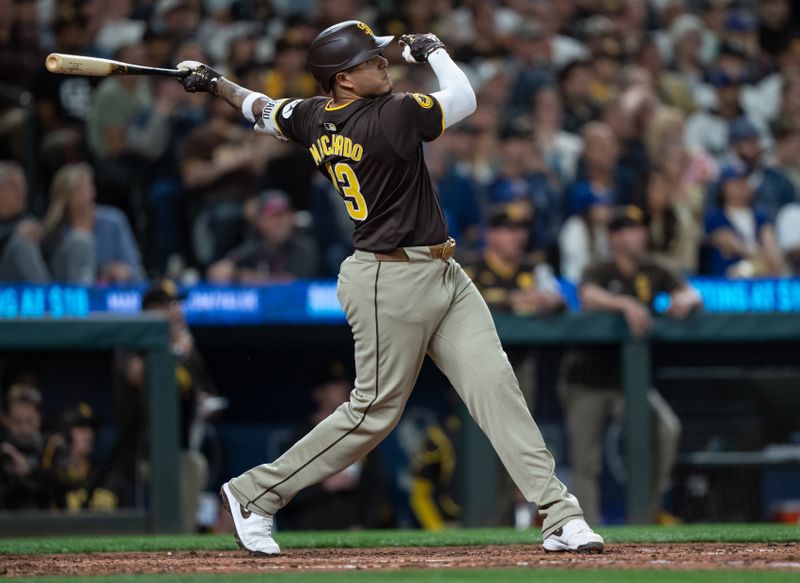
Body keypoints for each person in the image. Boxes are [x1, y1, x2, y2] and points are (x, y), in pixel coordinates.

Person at [176, 20, 603, 555]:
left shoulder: (314, 115)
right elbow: (464, 97)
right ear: (344, 80)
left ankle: (559, 514)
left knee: (497, 389)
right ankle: (253, 493)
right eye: (370, 60)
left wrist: (216, 83)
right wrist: (436, 50)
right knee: (372, 412)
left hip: (442, 270)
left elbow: (262, 110)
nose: (384, 62)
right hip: (387, 278)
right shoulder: (393, 114)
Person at [560, 206, 702, 525]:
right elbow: (587, 294)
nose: (636, 234)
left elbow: (690, 293)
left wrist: (686, 300)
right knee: (586, 462)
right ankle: (587, 528)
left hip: (629, 382)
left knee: (666, 429)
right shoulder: (600, 267)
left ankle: (646, 512)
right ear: (613, 237)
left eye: (639, 228)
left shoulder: (655, 268)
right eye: (626, 229)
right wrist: (624, 303)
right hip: (587, 377)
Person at [112, 279, 213, 531]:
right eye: (168, 305)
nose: (177, 310)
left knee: (194, 465)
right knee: (190, 468)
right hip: (141, 452)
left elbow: (209, 393)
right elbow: (136, 374)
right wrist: (176, 352)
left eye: (177, 304)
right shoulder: (134, 339)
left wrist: (206, 405)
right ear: (150, 311)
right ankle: (176, 537)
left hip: (176, 449)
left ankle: (180, 538)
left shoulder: (187, 347)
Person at [279, 362, 386, 531]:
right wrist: (324, 486)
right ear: (318, 393)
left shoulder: (361, 433)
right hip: (309, 530)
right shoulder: (301, 436)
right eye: (333, 385)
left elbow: (375, 486)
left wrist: (365, 524)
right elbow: (283, 490)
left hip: (352, 529)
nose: (342, 388)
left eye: (344, 384)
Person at [43, 162, 145, 284]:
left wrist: (121, 271)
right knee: (80, 241)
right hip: (72, 296)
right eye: (77, 189)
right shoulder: (56, 231)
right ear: (65, 197)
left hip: (112, 294)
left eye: (87, 186)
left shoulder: (114, 221)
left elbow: (136, 268)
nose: (85, 193)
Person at [206, 191, 319, 283]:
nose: (282, 222)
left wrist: (240, 275)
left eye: (286, 215)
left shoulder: (305, 247)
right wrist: (227, 271)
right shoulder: (255, 246)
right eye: (275, 216)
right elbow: (218, 272)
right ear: (260, 221)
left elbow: (289, 284)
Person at [703, 163, 784, 277]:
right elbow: (732, 243)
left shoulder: (760, 216)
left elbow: (774, 254)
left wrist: (766, 259)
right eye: (736, 182)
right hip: (724, 281)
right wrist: (762, 257)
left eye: (745, 182)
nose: (741, 186)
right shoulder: (715, 217)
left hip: (759, 277)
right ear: (724, 187)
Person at [0, 161, 50, 283]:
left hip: (23, 288)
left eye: (23, 186)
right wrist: (14, 233)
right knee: (22, 243)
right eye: (13, 187)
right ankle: (43, 294)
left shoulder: (30, 220)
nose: (21, 192)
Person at [0, 383, 47, 510]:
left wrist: (29, 472)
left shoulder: (51, 449)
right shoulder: (3, 449)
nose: (23, 429)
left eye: (29, 421)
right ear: (7, 420)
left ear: (39, 418)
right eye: (17, 421)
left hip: (45, 523)